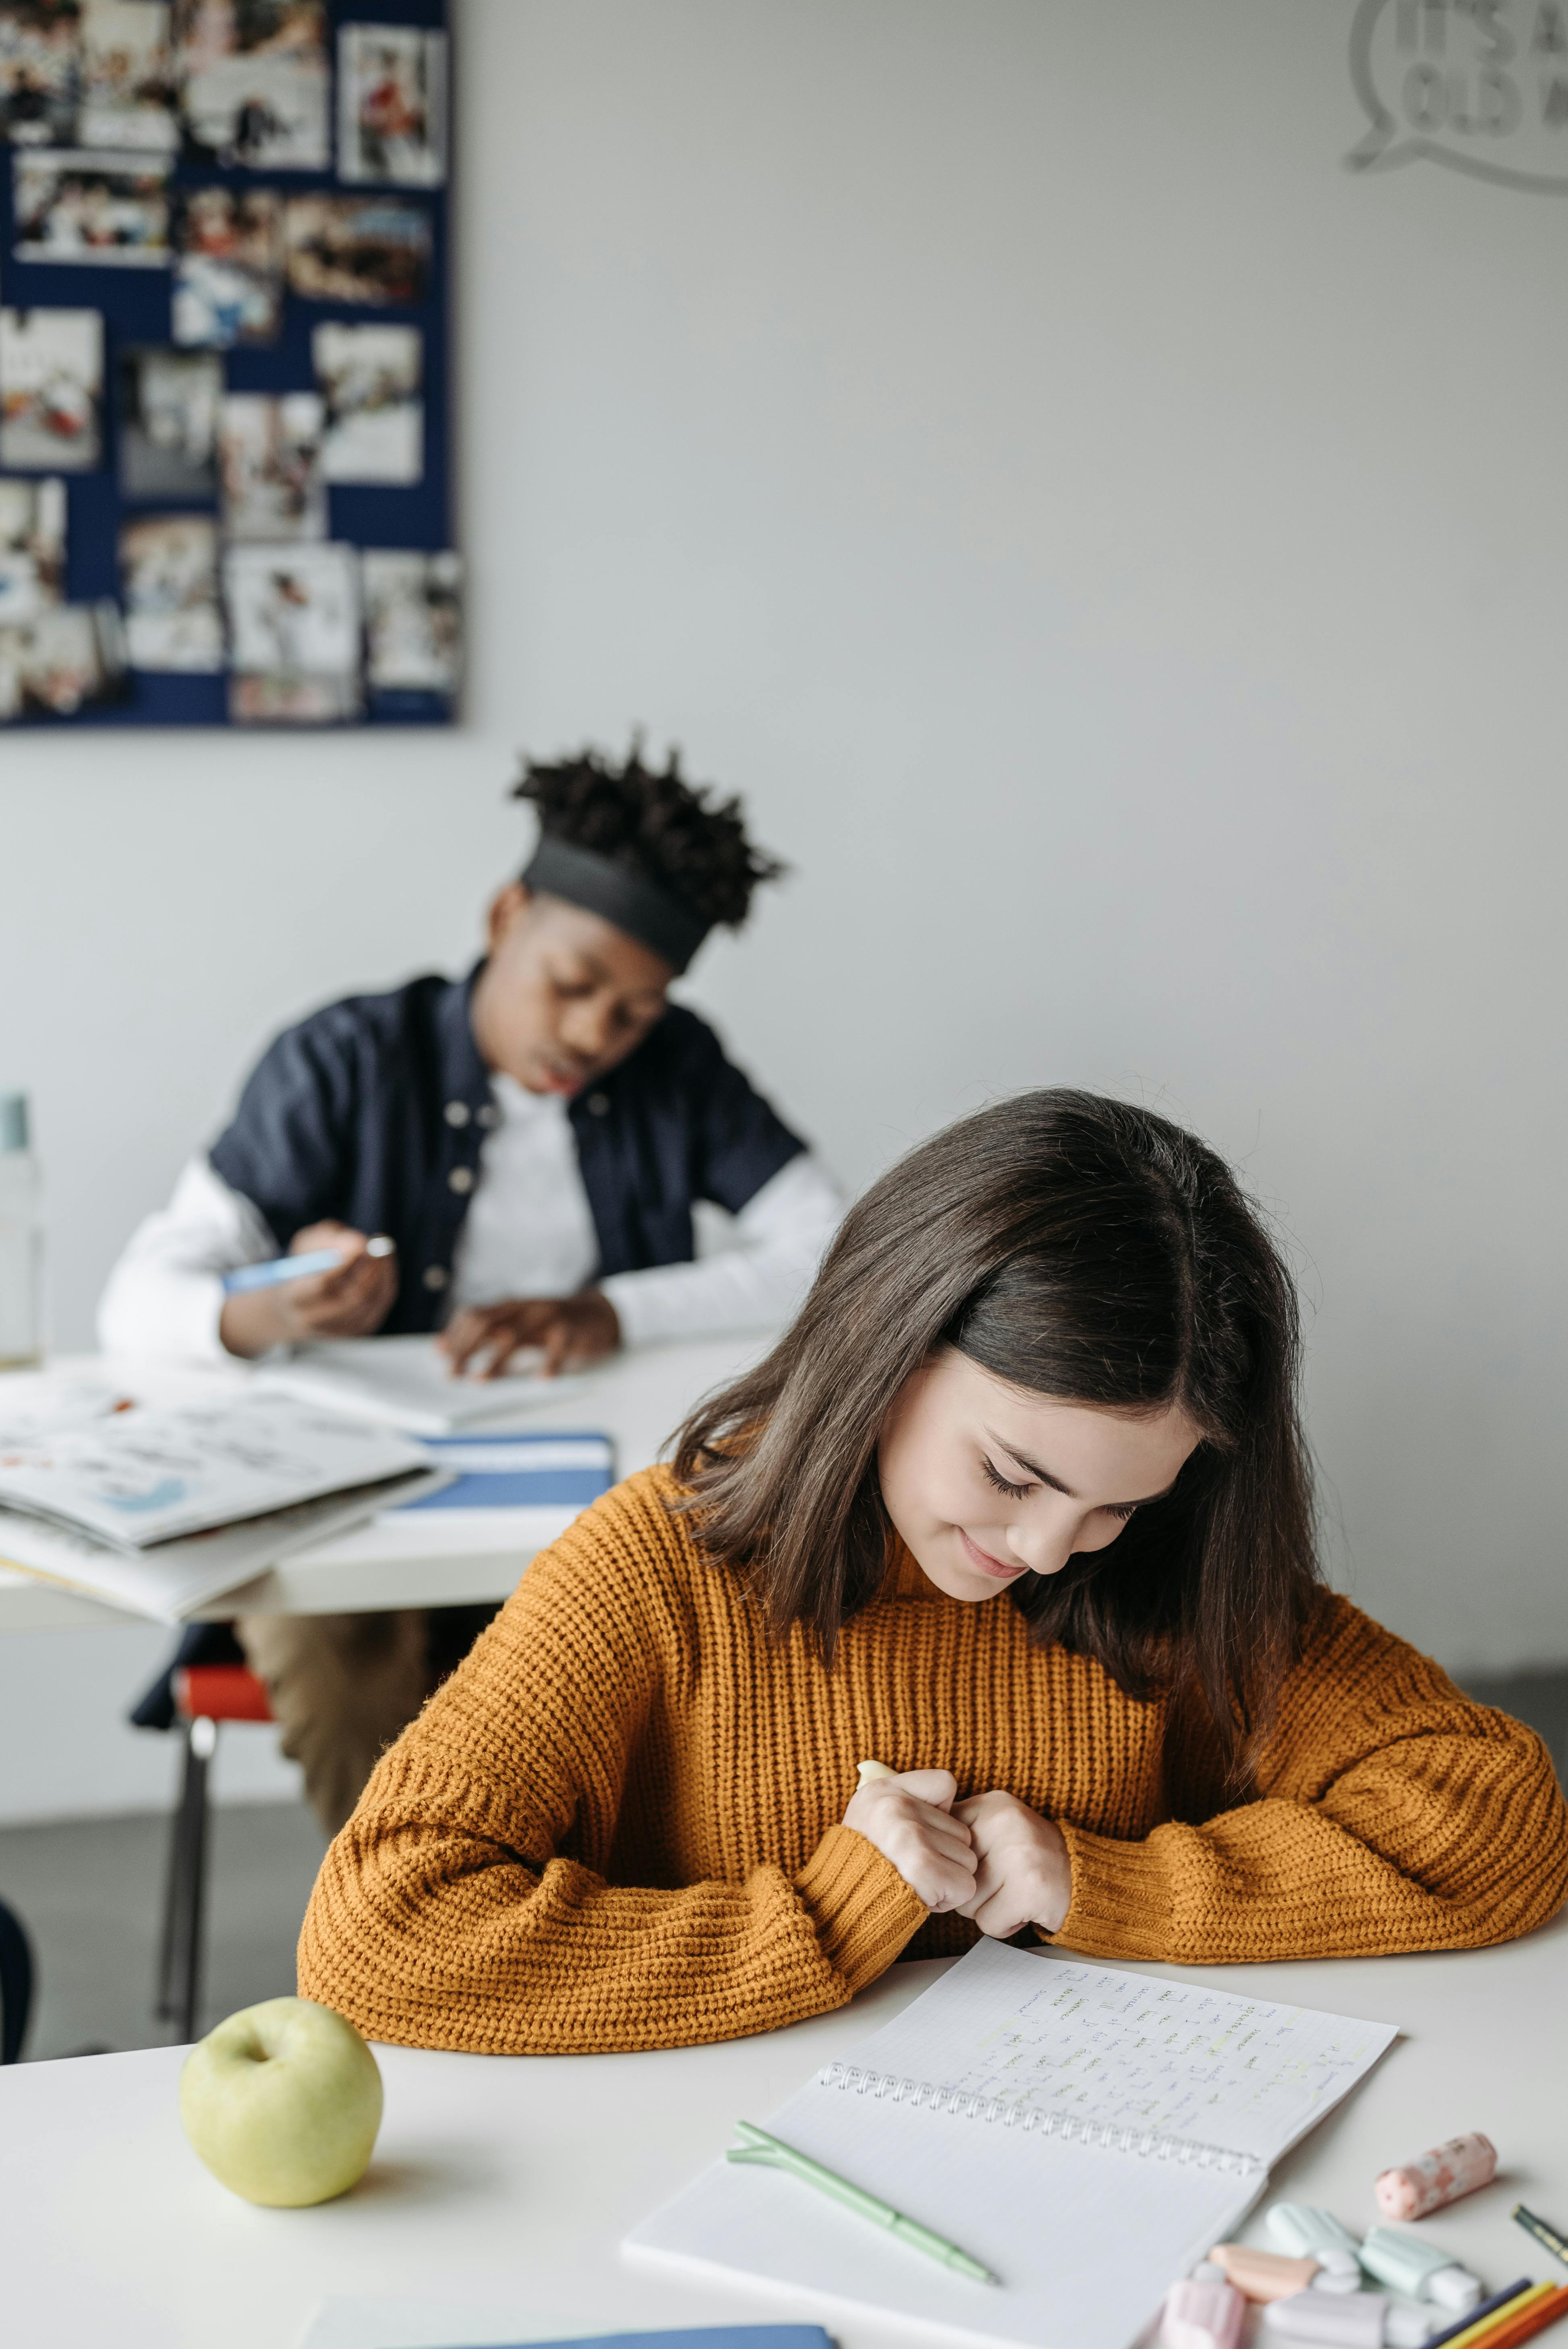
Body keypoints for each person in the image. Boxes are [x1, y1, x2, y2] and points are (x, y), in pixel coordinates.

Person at [296, 1089, 1568, 2054]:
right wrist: (829, 1911)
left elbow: (1498, 1821)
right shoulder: (660, 1569)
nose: (1048, 1549)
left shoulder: (1174, 1574)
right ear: (888, 1351)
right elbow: (378, 1933)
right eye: (1013, 1475)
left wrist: (1109, 1886)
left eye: (1117, 1504)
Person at [103, 744, 843, 1834]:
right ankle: (418, 1921)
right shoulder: (346, 1059)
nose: (595, 1034)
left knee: (693, 1638)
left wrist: (615, 1311)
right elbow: (137, 1300)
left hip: (577, 1495)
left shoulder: (677, 1068)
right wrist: (270, 1312)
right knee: (337, 1650)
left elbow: (830, 1247)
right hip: (358, 1516)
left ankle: (591, 1932)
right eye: (575, 985)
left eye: (634, 1011)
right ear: (506, 919)